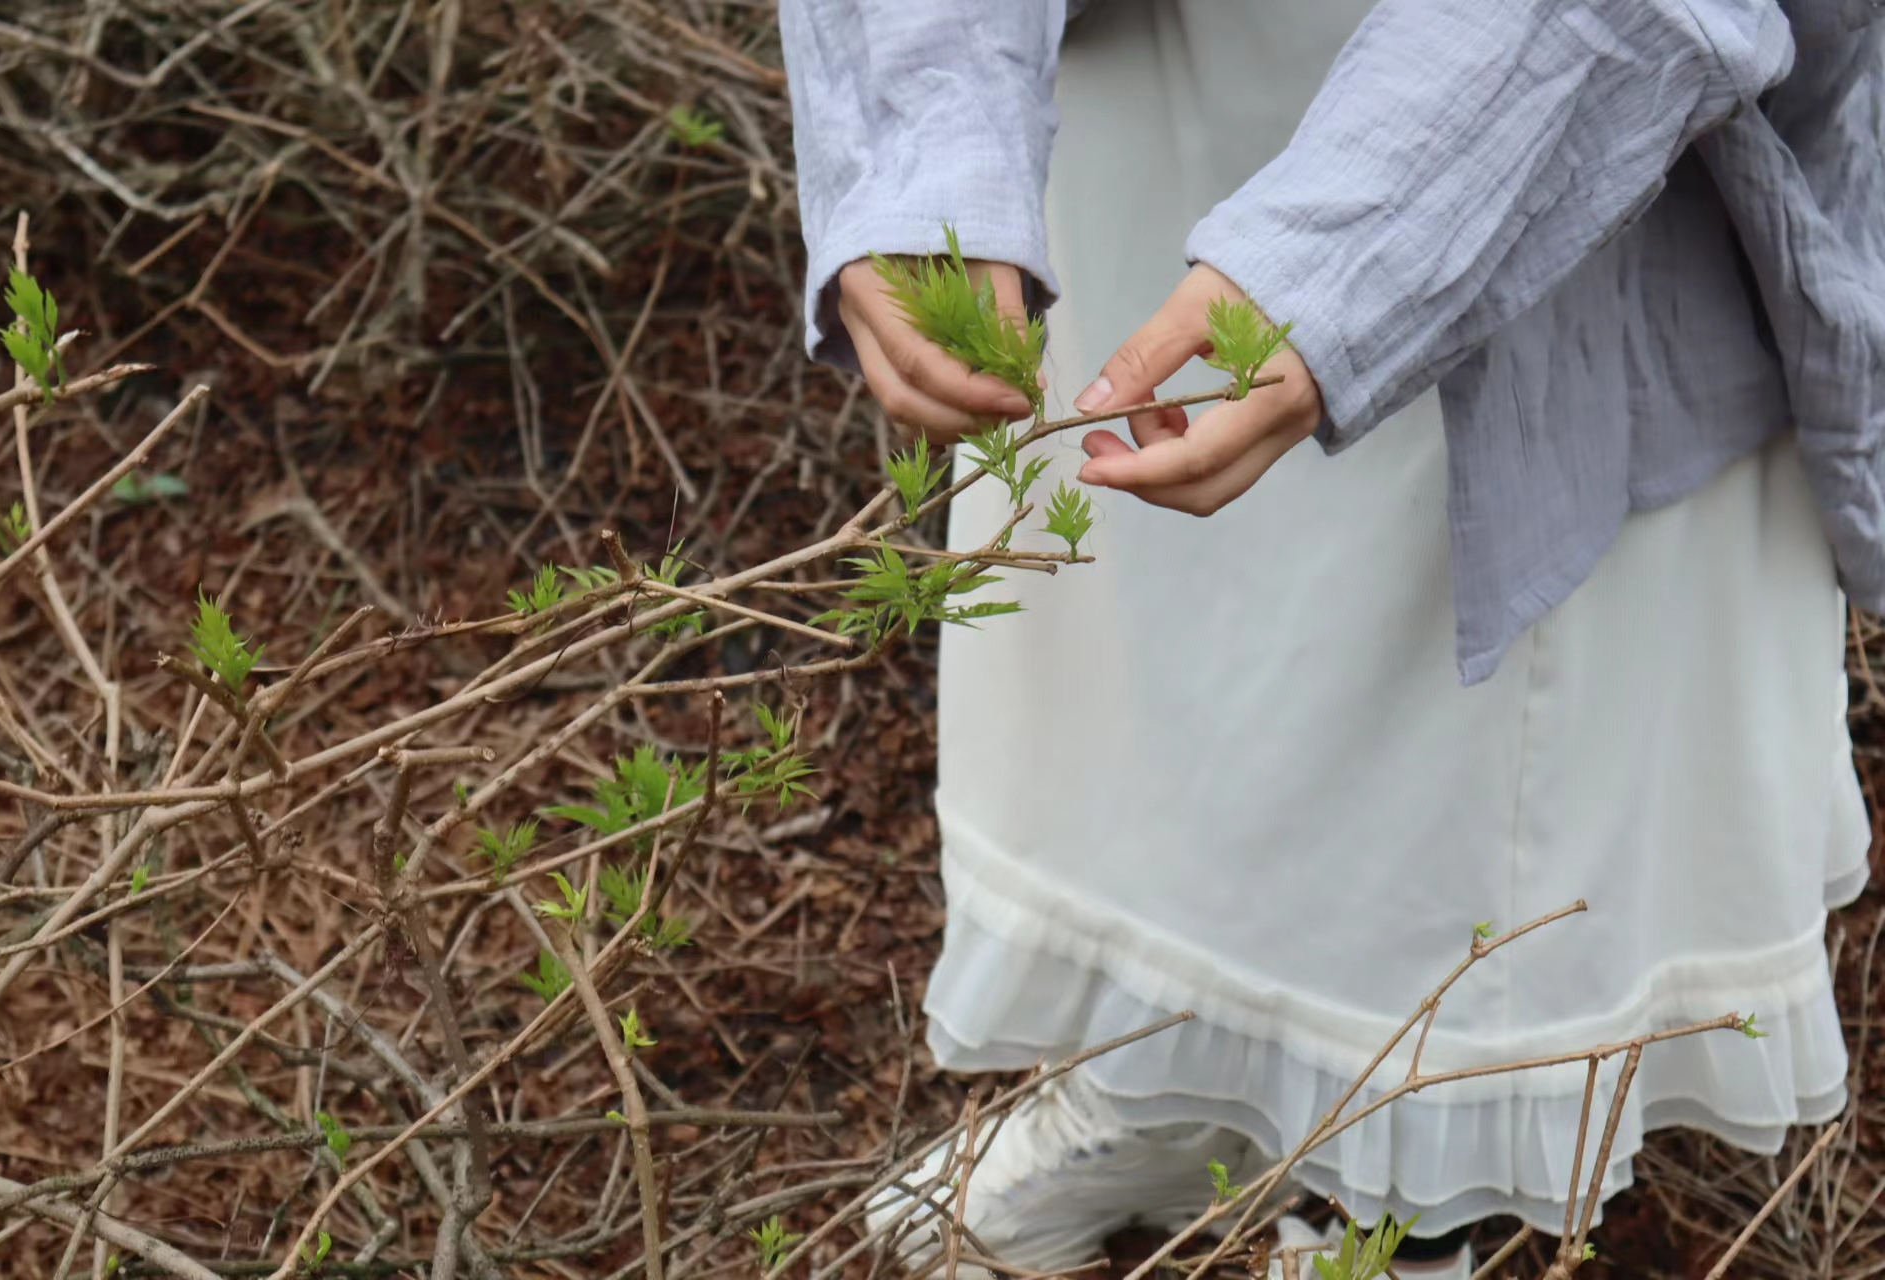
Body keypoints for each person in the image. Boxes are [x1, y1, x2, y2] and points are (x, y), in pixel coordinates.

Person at [780, 0, 1884, 1274]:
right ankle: (1161, 1088)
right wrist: (935, 151)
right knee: (1156, 672)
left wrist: (1349, 256)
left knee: (1446, 805)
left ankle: (1393, 1214)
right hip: (1152, 95)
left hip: (1538, 123)